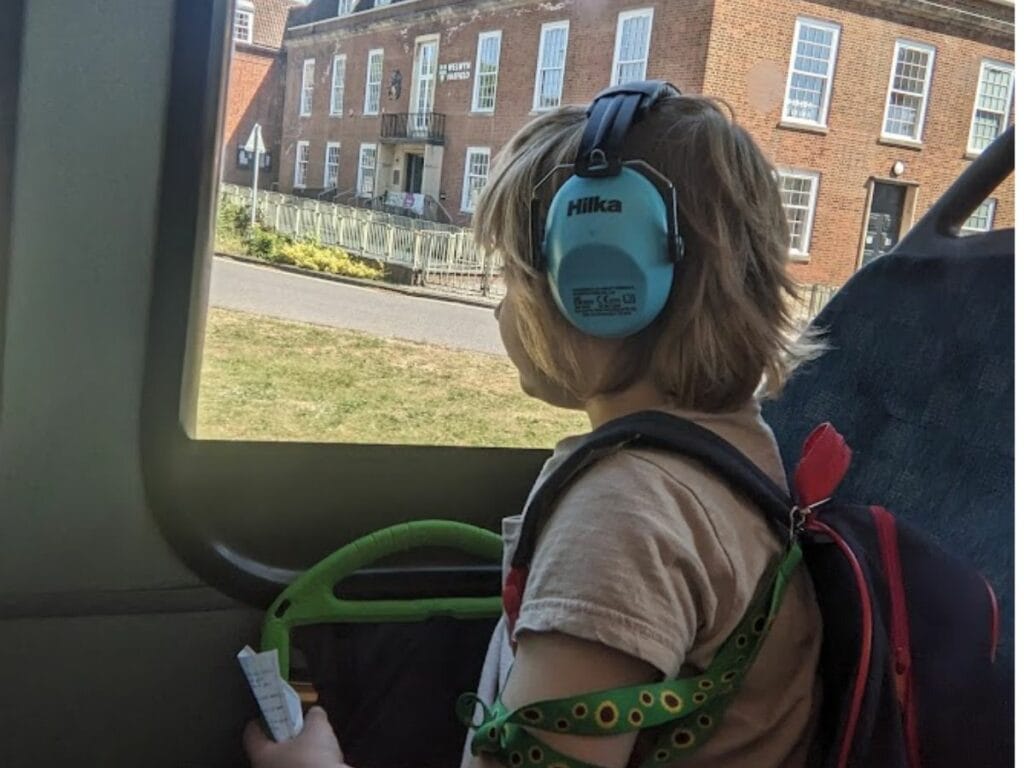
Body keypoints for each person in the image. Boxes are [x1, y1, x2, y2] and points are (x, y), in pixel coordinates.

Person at [244, 88, 822, 768]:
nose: (501, 309)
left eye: (515, 277)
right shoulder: (728, 461)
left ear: (602, 282)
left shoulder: (626, 517)